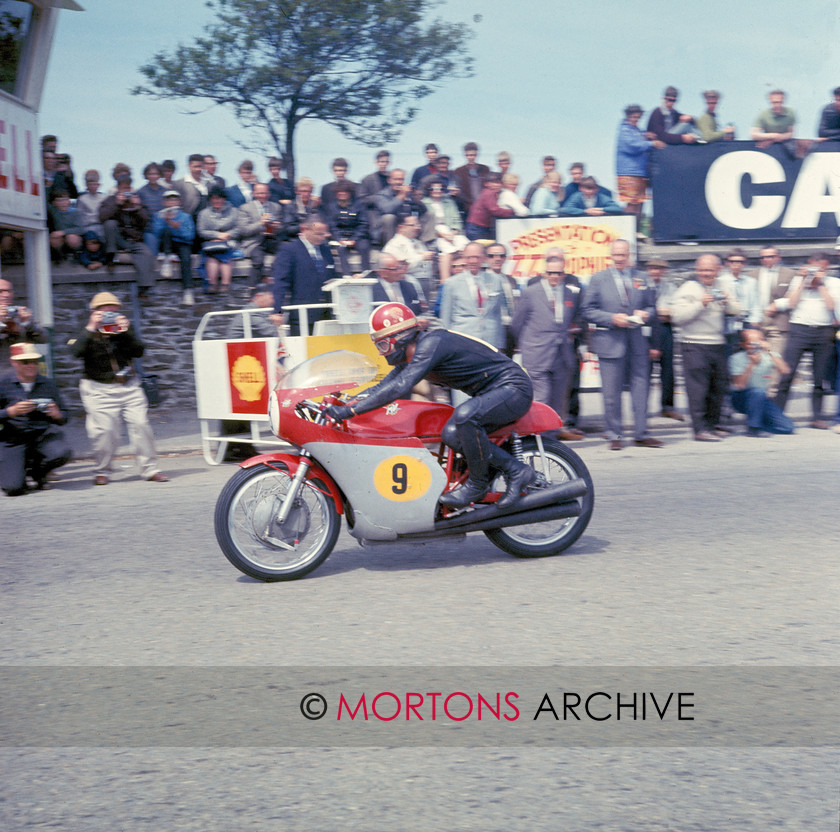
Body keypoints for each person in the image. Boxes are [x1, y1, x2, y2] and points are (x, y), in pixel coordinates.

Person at [324, 302, 536, 510]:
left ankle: (490, 481)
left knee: (465, 416)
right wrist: (345, 403)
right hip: (494, 393)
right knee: (451, 434)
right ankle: (497, 472)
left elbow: (400, 387)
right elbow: (384, 386)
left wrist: (350, 411)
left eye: (382, 345)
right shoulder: (415, 356)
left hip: (514, 388)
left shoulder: (432, 344)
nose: (381, 353)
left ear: (399, 338)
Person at [71, 292, 168, 485]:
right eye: (104, 310)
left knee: (141, 425)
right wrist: (91, 328)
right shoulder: (85, 330)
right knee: (105, 431)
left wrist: (126, 332)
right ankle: (102, 470)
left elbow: (139, 351)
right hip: (98, 388)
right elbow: (76, 352)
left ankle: (150, 469)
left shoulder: (122, 328)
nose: (109, 313)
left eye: (113, 309)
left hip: (128, 384)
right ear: (94, 312)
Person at [581, 239, 663, 450]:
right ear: (611, 255)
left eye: (623, 255)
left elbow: (653, 307)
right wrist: (611, 318)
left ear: (630, 255)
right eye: (616, 255)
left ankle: (641, 433)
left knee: (641, 389)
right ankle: (614, 436)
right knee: (611, 393)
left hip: (637, 342)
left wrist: (646, 313)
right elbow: (588, 310)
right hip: (610, 341)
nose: (619, 259)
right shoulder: (598, 279)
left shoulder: (641, 277)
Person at [511, 254, 584, 440]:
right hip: (537, 353)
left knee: (559, 401)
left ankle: (551, 440)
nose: (554, 277)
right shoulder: (531, 292)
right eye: (551, 273)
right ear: (544, 273)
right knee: (542, 398)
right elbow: (517, 323)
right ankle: (536, 438)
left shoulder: (570, 293)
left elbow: (574, 320)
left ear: (564, 273)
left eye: (558, 273)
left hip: (562, 354)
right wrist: (526, 347)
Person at [670, 254, 741, 441]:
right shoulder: (688, 288)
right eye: (701, 270)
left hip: (717, 343)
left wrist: (727, 303)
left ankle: (712, 425)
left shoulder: (723, 286)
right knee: (697, 389)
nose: (705, 274)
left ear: (718, 270)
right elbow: (677, 317)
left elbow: (737, 311)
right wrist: (700, 303)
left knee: (717, 388)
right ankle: (699, 429)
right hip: (694, 343)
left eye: (709, 270)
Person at [773, 255, 840, 429]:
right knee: (786, 374)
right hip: (799, 329)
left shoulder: (834, 283)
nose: (816, 273)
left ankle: (817, 417)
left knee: (819, 379)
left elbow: (831, 306)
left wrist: (821, 284)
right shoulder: (798, 280)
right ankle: (777, 415)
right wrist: (803, 280)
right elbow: (791, 303)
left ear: (826, 268)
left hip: (823, 331)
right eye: (813, 269)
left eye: (820, 269)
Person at [0, 343, 71, 495]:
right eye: (25, 362)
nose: (31, 365)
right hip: (13, 438)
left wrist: (57, 414)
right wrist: (9, 412)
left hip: (41, 435)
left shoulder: (47, 384)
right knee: (13, 488)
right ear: (14, 363)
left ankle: (38, 473)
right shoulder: (3, 383)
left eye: (34, 361)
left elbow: (65, 416)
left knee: (62, 452)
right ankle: (20, 471)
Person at [272, 213, 336, 335]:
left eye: (324, 234)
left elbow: (332, 277)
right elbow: (280, 282)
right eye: (318, 234)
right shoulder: (289, 250)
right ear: (305, 229)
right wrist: (277, 311)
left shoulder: (326, 250)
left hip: (326, 315)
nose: (322, 237)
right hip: (302, 316)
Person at [440, 241, 507, 352]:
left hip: (490, 341)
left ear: (484, 258)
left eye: (477, 257)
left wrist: (500, 344)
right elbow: (446, 317)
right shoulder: (452, 283)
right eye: (469, 257)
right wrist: (448, 344)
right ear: (464, 258)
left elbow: (498, 315)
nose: (473, 261)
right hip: (462, 340)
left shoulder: (496, 280)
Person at [98, 175, 156, 299]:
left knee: (146, 254)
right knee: (110, 223)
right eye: (124, 188)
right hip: (117, 240)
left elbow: (146, 221)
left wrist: (138, 207)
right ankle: (110, 259)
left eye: (128, 188)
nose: (126, 191)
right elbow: (102, 218)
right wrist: (117, 205)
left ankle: (144, 289)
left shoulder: (136, 199)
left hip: (134, 240)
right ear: (118, 188)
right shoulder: (110, 200)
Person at [729, 329, 794, 437]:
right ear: (743, 344)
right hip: (741, 397)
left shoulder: (768, 355)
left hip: (761, 398)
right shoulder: (735, 358)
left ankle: (758, 423)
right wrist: (752, 364)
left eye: (758, 342)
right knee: (757, 391)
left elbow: (785, 370)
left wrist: (770, 351)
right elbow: (739, 385)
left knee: (787, 427)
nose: (755, 346)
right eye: (751, 343)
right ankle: (753, 428)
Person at [754, 245, 796, 391]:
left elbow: (795, 296)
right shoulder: (752, 274)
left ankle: (771, 396)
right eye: (763, 257)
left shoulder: (790, 274)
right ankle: (757, 394)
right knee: (755, 360)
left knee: (776, 359)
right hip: (756, 323)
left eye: (770, 256)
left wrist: (778, 305)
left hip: (779, 323)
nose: (766, 259)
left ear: (778, 257)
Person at [646, 258, 682, 421]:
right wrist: (659, 312)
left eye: (660, 268)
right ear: (648, 269)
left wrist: (659, 312)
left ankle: (667, 407)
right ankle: (641, 407)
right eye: (653, 268)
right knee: (644, 370)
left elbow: (675, 310)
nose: (656, 271)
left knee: (668, 371)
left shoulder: (670, 287)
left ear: (665, 270)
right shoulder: (641, 285)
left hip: (665, 329)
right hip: (645, 330)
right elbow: (643, 312)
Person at [616, 104, 664, 218]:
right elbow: (632, 146)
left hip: (639, 172)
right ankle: (626, 231)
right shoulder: (624, 130)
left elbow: (639, 138)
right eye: (634, 117)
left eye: (638, 117)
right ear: (628, 116)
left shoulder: (636, 130)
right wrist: (652, 143)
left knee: (639, 203)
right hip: (628, 172)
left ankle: (635, 231)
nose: (636, 120)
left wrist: (646, 135)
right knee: (631, 203)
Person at [152, 190, 197, 305]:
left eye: (175, 199)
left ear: (179, 202)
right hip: (166, 244)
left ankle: (188, 290)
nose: (172, 202)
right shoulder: (158, 215)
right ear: (164, 202)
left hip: (181, 243)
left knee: (186, 259)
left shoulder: (186, 217)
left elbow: (190, 235)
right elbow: (156, 234)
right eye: (169, 200)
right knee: (166, 231)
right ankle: (166, 261)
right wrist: (165, 221)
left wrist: (177, 228)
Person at [420, 176, 467, 283]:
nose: (437, 192)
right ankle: (445, 280)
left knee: (464, 246)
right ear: (429, 190)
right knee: (447, 249)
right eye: (433, 189)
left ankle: (463, 277)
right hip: (434, 233)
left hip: (451, 231)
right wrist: (443, 235)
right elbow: (424, 224)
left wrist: (453, 232)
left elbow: (457, 220)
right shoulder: (423, 203)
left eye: (440, 189)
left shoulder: (449, 202)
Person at [237, 182, 284, 285]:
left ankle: (272, 279)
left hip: (271, 240)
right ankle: (252, 288)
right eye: (259, 193)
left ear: (269, 193)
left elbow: (281, 229)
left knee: (286, 251)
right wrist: (260, 223)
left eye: (265, 193)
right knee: (258, 260)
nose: (262, 196)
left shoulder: (276, 207)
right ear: (254, 193)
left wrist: (277, 227)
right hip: (254, 242)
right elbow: (244, 230)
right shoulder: (245, 208)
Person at [196, 187, 240, 295]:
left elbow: (239, 228)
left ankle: (225, 284)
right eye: (214, 198)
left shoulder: (234, 211)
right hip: (211, 243)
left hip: (229, 241)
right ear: (210, 200)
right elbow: (201, 230)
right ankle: (213, 284)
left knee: (225, 255)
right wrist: (217, 235)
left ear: (224, 199)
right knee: (212, 257)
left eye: (219, 198)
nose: (217, 201)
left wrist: (227, 235)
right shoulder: (204, 213)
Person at [382, 216, 433, 307]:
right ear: (401, 227)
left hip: (425, 281)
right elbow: (402, 267)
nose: (418, 227)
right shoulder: (394, 244)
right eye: (413, 225)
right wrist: (422, 257)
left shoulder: (418, 242)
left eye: (418, 224)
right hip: (408, 283)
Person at [717, 248, 760, 353]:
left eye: (740, 262)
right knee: (729, 351)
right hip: (728, 321)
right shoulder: (720, 281)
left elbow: (756, 302)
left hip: (746, 321)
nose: (736, 264)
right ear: (727, 263)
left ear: (745, 263)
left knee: (749, 352)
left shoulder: (751, 282)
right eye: (733, 262)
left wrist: (755, 320)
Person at [324, 182, 370, 275]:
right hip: (341, 237)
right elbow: (332, 226)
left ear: (349, 193)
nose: (342, 195)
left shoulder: (358, 205)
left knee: (364, 246)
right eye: (339, 193)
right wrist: (340, 239)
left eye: (345, 192)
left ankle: (366, 273)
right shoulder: (331, 207)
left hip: (357, 236)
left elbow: (363, 223)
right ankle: (346, 275)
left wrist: (354, 239)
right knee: (341, 249)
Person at [1, 278, 44, 368]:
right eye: (1, 291)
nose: (6, 295)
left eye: (9, 291)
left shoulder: (21, 313)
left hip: (22, 370)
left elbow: (43, 339)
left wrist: (28, 323)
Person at [751, 89, 802, 157]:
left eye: (779, 102)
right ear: (770, 101)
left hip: (785, 149)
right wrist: (773, 136)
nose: (777, 105)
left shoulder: (791, 112)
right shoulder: (764, 114)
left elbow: (791, 134)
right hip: (768, 150)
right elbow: (753, 134)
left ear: (783, 101)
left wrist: (772, 140)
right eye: (774, 102)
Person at [464, 172, 514, 239]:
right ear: (486, 184)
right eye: (494, 182)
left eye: (499, 183)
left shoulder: (488, 192)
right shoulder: (489, 193)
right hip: (477, 228)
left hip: (477, 227)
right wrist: (512, 212)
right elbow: (495, 210)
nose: (497, 185)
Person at [452, 142, 490, 215]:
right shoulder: (458, 171)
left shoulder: (485, 169)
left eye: (473, 155)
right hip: (468, 210)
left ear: (477, 154)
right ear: (465, 155)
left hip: (484, 209)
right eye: (468, 155)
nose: (470, 157)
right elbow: (459, 192)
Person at [47, 190, 84, 262]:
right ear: (54, 203)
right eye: (59, 201)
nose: (63, 203)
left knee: (71, 238)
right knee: (54, 238)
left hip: (72, 237)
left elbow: (80, 229)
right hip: (60, 239)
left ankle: (75, 254)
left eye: (65, 200)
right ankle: (60, 255)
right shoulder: (54, 211)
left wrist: (63, 232)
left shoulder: (76, 212)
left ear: (69, 201)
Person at [76, 170, 106, 239]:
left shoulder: (104, 198)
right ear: (87, 185)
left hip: (101, 225)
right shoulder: (82, 199)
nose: (93, 186)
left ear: (98, 185)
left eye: (95, 184)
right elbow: (79, 216)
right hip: (88, 226)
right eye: (90, 184)